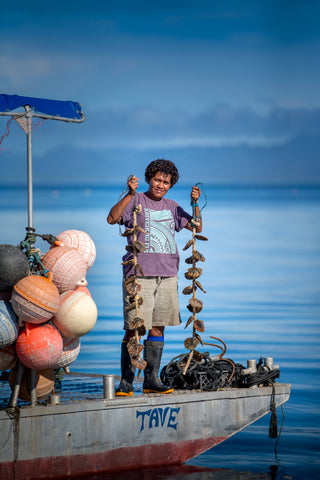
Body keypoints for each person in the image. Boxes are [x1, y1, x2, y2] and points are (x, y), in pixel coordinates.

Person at [107, 159, 202, 396]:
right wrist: (129, 193)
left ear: (170, 185)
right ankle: (127, 382)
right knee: (133, 329)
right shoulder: (136, 200)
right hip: (138, 276)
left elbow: (196, 228)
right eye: (157, 179)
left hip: (168, 275)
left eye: (166, 182)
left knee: (158, 329)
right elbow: (112, 218)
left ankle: (151, 382)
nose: (160, 185)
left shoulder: (172, 206)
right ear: (149, 178)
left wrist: (195, 204)